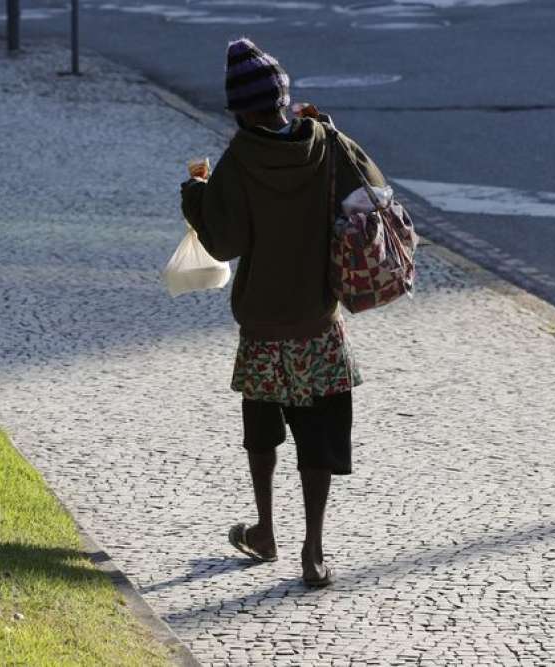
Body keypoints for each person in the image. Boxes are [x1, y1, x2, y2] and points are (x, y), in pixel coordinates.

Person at [180, 37, 386, 587]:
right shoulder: (323, 142)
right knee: (318, 436)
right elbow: (375, 192)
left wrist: (194, 195)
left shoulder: (240, 159)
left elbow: (224, 243)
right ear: (284, 99)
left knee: (263, 432)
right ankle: (313, 550)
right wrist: (335, 129)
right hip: (318, 322)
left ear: (243, 110)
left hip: (265, 327)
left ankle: (266, 530)